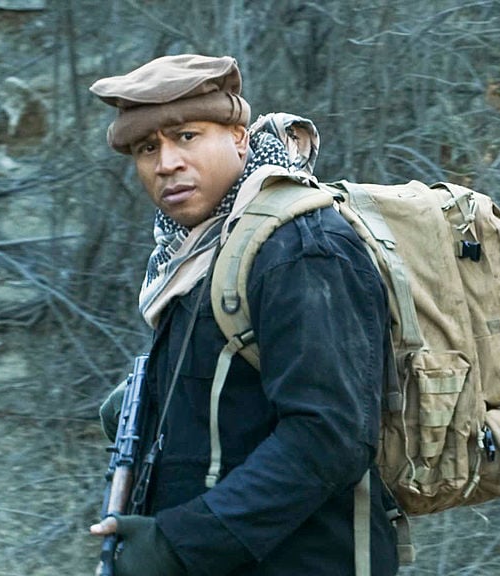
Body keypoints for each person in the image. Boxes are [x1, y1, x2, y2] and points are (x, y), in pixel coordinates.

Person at [87, 54, 399, 576]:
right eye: (147, 148)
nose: (165, 163)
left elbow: (330, 438)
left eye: (186, 136)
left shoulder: (301, 248)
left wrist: (180, 544)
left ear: (238, 137)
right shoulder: (196, 254)